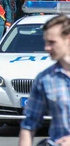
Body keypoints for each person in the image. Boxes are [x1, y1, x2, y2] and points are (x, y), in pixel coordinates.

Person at [18, 15, 70, 146]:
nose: (47, 47)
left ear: (68, 39)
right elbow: (29, 124)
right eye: (45, 42)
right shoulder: (45, 79)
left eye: (52, 42)